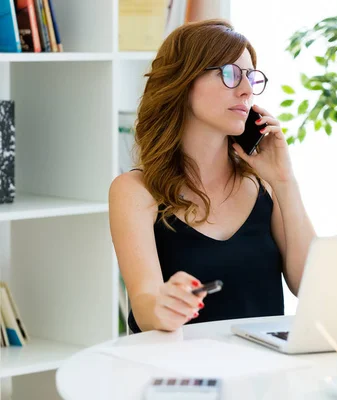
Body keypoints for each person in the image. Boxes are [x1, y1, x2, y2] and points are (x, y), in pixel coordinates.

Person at [108, 19, 316, 333]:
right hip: (178, 375)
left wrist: (284, 181)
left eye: (251, 77)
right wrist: (165, 304)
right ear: (183, 81)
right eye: (231, 74)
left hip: (262, 373)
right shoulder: (135, 191)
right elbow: (144, 303)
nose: (247, 90)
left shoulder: (265, 185)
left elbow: (313, 286)